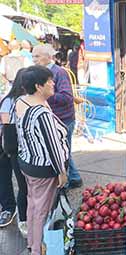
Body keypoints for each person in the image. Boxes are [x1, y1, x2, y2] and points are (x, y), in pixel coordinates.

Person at [14, 65, 69, 255]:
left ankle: (32, 243)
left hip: (27, 163)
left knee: (32, 204)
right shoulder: (41, 113)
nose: (53, 84)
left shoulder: (21, 101)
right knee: (41, 211)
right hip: (44, 168)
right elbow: (52, 146)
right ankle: (37, 249)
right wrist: (61, 172)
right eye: (49, 81)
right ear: (39, 86)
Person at [32, 44, 83, 189]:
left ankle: (67, 180)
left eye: (37, 56)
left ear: (49, 57)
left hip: (63, 119)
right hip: (51, 118)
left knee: (62, 151)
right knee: (62, 150)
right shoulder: (38, 72)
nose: (34, 59)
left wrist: (46, 94)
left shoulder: (59, 72)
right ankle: (74, 177)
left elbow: (67, 97)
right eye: (33, 56)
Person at [0, 69, 28, 237]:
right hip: (7, 146)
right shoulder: (9, 101)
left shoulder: (29, 100)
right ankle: (8, 209)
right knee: (4, 179)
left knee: (22, 183)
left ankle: (18, 212)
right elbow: (7, 127)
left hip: (17, 147)